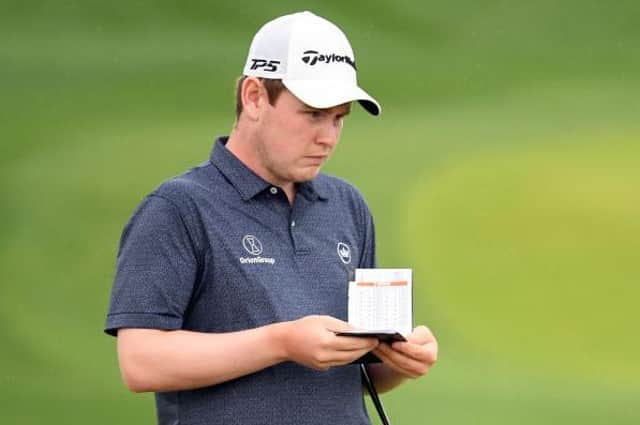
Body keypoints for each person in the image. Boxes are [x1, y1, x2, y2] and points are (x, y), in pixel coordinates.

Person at [105, 10, 437, 425]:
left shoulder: (346, 205)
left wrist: (401, 359)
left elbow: (358, 370)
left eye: (338, 119)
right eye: (313, 114)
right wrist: (281, 343)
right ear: (255, 97)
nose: (328, 138)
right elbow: (141, 362)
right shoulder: (178, 209)